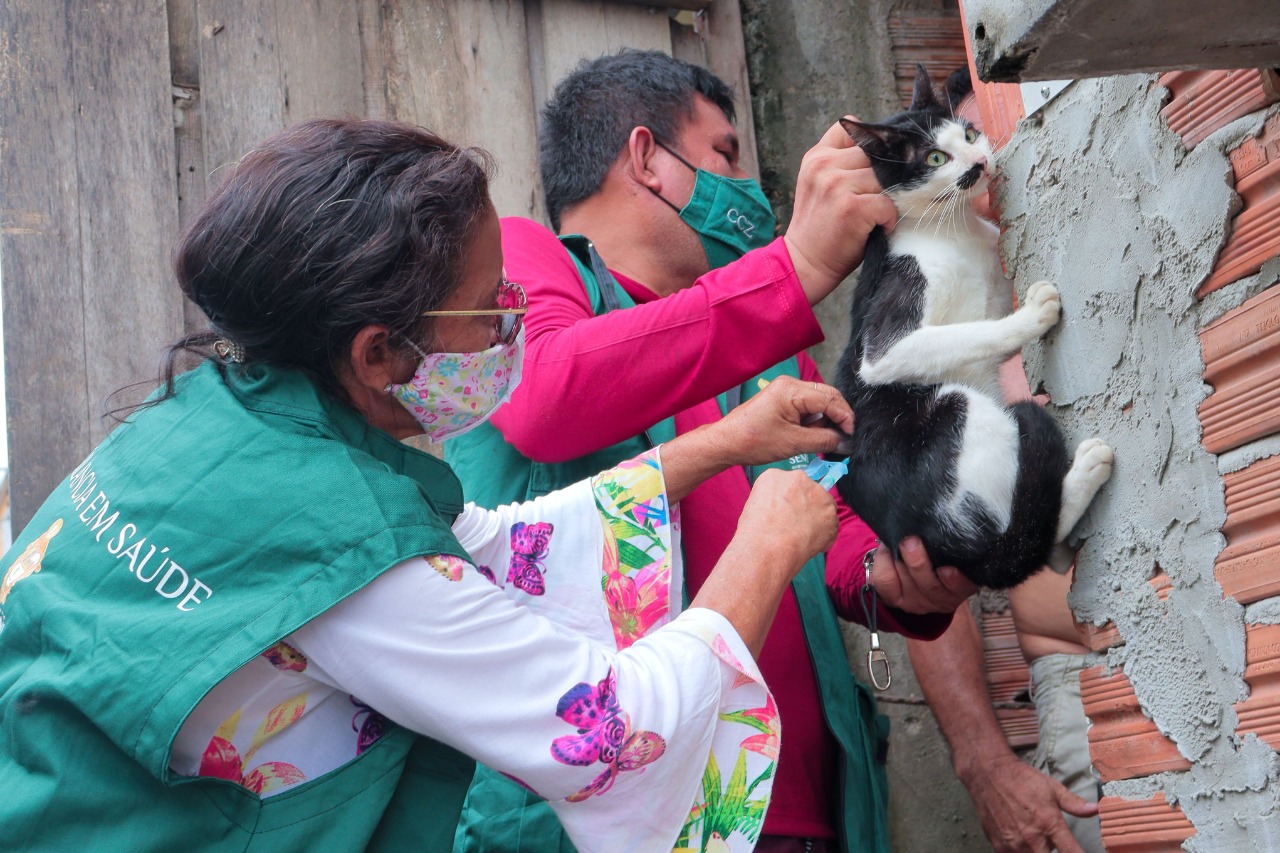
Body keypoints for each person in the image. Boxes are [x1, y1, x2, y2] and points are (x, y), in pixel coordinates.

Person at [0, 118, 886, 853]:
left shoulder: (213, 419)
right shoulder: (347, 549)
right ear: (378, 351)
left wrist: (720, 444)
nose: (513, 317)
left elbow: (485, 546)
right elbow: (610, 732)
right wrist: (765, 545)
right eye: (489, 303)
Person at [447, 50, 977, 853]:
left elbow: (829, 521)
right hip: (619, 820)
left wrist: (898, 574)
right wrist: (790, 272)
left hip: (797, 816)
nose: (746, 187)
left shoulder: (765, 357)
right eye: (725, 153)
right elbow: (548, 394)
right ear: (647, 158)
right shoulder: (527, 263)